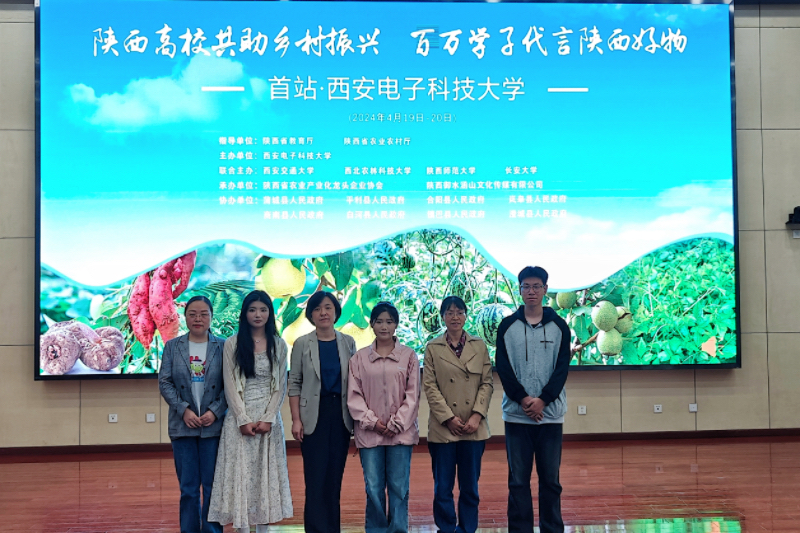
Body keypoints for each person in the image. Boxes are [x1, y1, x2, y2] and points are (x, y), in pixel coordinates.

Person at [208, 290, 293, 533]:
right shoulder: (232, 343)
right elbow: (229, 385)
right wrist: (242, 419)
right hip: (239, 420)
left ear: (270, 313)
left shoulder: (279, 344)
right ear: (244, 313)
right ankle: (242, 529)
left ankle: (263, 529)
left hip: (268, 420)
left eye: (263, 310)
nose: (258, 314)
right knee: (241, 474)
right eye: (252, 309)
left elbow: (280, 386)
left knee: (265, 475)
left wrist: (268, 418)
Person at [495, 266, 571, 533]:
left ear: (545, 290)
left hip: (550, 416)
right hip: (517, 416)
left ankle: (552, 529)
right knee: (518, 481)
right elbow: (503, 368)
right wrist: (524, 399)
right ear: (519, 290)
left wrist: (543, 400)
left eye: (536, 286)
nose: (531, 291)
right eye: (526, 286)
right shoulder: (507, 326)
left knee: (550, 481)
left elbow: (562, 368)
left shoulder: (560, 327)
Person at [347, 302, 420, 533]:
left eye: (389, 321)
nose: (384, 326)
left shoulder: (409, 356)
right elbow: (354, 396)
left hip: (401, 434)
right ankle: (377, 529)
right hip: (370, 434)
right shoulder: (359, 359)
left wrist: (396, 423)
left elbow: (413, 395)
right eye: (379, 321)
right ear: (371, 324)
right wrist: (373, 422)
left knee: (399, 487)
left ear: (396, 324)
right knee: (373, 487)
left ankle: (398, 529)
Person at [423, 296, 493, 533]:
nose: (455, 317)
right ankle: (446, 528)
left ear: (465, 316)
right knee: (442, 487)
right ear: (443, 316)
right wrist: (448, 418)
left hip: (473, 427)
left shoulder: (479, 345)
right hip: (443, 428)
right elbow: (429, 386)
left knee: (470, 486)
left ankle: (468, 528)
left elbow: (487, 383)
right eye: (450, 312)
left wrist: (477, 416)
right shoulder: (433, 347)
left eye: (459, 312)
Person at [288, 291, 357, 533]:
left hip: (340, 415)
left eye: (328, 307)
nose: (323, 313)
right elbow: (294, 383)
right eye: (317, 309)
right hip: (312, 416)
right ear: (311, 315)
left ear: (336, 312)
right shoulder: (301, 343)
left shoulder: (348, 342)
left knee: (334, 478)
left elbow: (355, 382)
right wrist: (296, 419)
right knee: (315, 478)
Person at [159, 295, 227, 533]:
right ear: (185, 317)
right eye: (192, 314)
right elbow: (165, 382)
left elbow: (231, 385)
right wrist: (183, 410)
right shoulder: (172, 346)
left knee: (212, 486)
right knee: (188, 488)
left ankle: (212, 530)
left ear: (211, 317)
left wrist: (215, 411)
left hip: (213, 427)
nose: (198, 318)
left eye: (203, 314)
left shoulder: (224, 346)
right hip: (182, 426)